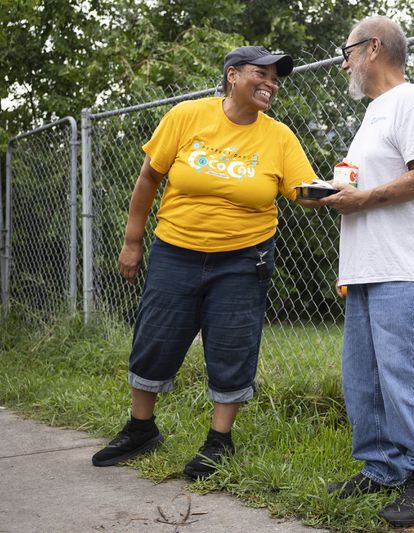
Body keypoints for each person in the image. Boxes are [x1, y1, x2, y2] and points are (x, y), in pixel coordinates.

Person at [91, 46, 320, 479]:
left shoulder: (279, 137)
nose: (271, 83)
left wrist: (340, 190)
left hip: (243, 258)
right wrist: (132, 241)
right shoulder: (186, 116)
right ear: (233, 75)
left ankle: (219, 442)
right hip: (175, 249)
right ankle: (141, 429)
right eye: (262, 73)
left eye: (276, 77)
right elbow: (148, 178)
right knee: (156, 336)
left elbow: (302, 193)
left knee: (233, 343)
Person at [319, 15, 414, 528]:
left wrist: (363, 197)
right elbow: (374, 184)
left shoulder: (412, 100)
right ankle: (382, 468)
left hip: (407, 265)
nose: (346, 63)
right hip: (369, 266)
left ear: (373, 48)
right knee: (364, 380)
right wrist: (339, 192)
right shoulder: (376, 113)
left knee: (407, 377)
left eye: (348, 52)